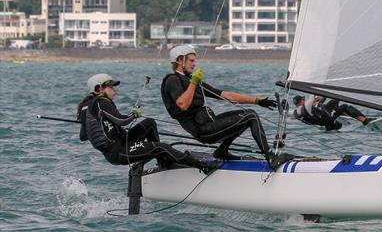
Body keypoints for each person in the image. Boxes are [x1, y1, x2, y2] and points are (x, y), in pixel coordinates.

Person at [160, 45, 284, 164]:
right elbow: (182, 105)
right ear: (180, 60)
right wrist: (194, 82)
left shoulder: (192, 80)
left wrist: (257, 101)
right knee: (250, 117)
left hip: (210, 123)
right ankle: (270, 157)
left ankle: (222, 151)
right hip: (202, 130)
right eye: (191, 61)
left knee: (246, 114)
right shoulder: (172, 80)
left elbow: (225, 95)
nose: (194, 64)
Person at [77, 73, 220, 173]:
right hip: (118, 152)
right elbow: (122, 121)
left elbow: (83, 136)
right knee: (161, 147)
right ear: (99, 89)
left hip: (122, 142)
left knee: (149, 123)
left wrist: (96, 126)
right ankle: (202, 166)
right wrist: (133, 114)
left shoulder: (91, 106)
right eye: (110, 87)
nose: (114, 89)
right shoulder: (101, 102)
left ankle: (163, 162)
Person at [292, 94, 371, 131]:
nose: (304, 100)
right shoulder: (307, 105)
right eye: (303, 99)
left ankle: (343, 115)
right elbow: (313, 97)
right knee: (344, 106)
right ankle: (364, 120)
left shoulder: (296, 112)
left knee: (334, 100)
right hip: (329, 121)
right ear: (301, 101)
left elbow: (315, 104)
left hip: (322, 120)